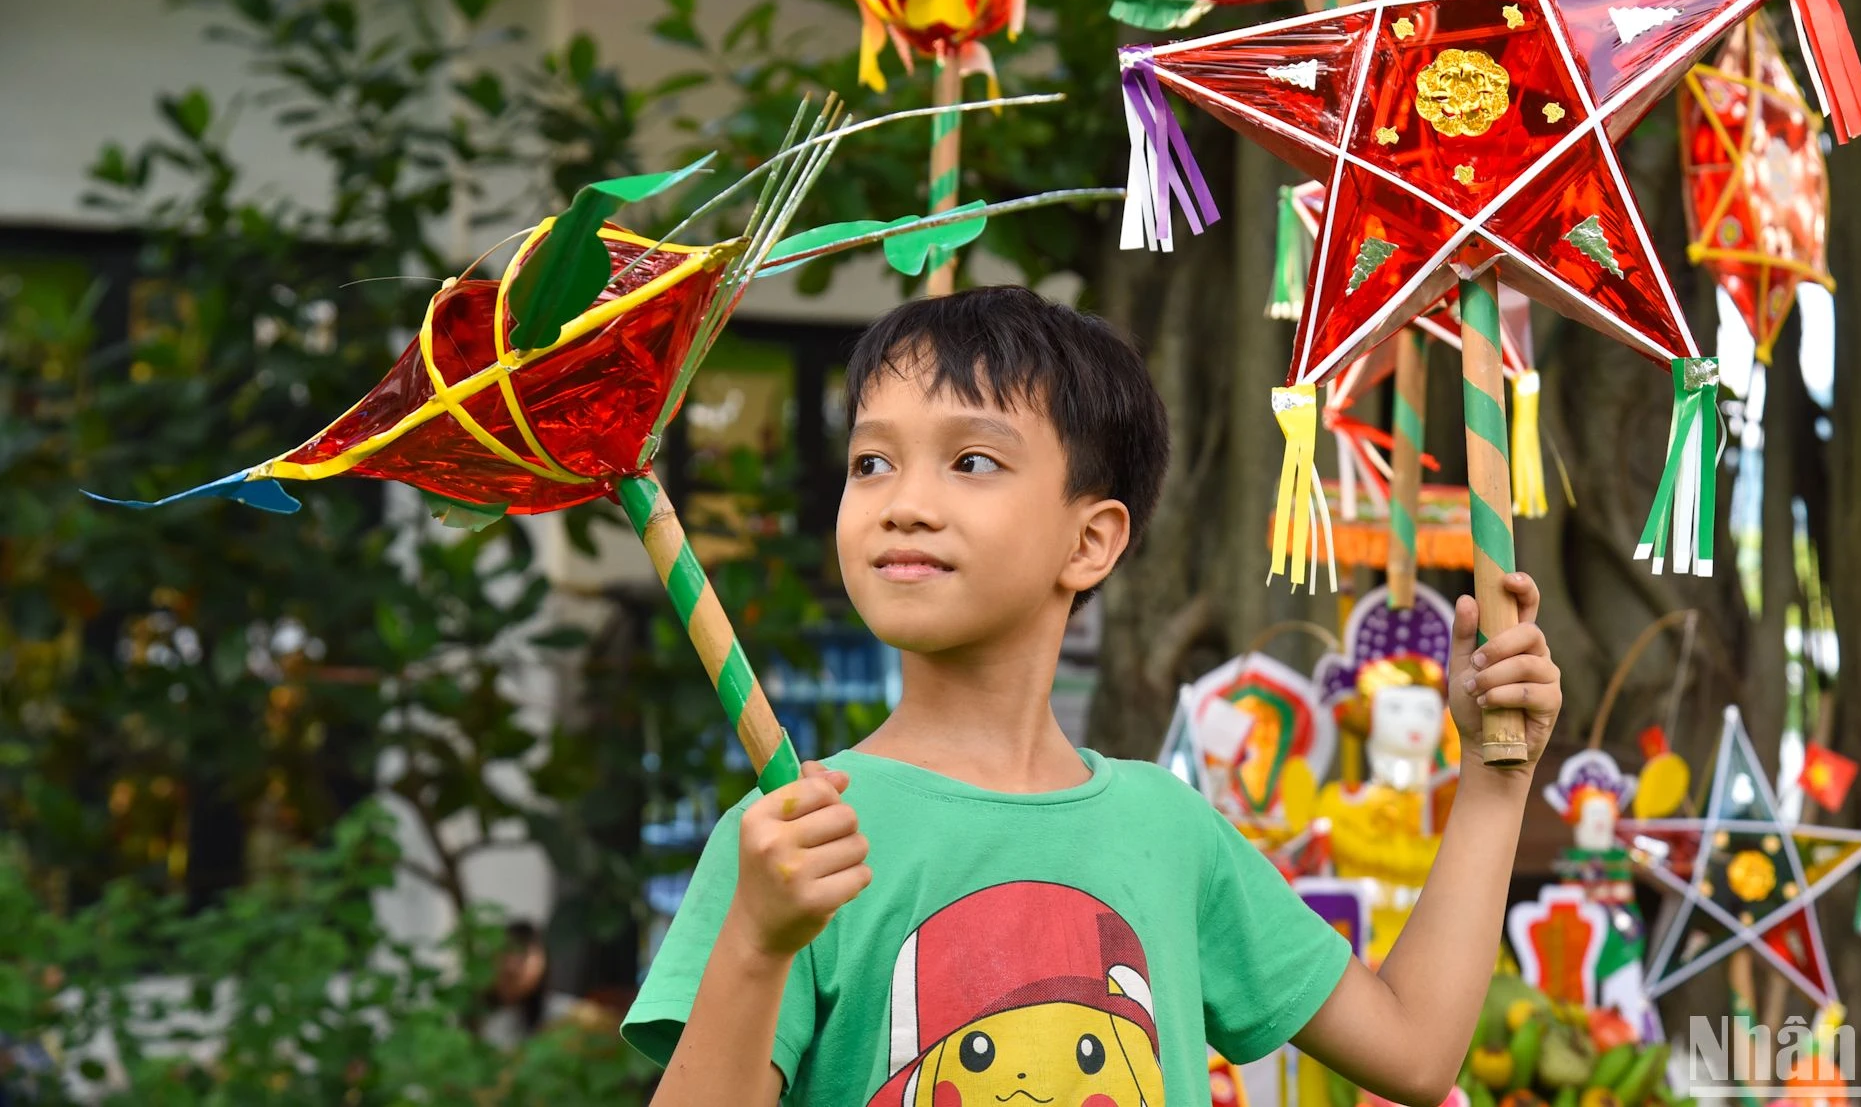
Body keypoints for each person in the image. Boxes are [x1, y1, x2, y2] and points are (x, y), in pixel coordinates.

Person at [623, 286, 1563, 1106]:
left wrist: (1492, 774)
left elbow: (1412, 1046)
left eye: (972, 461)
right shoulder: (790, 839)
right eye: (872, 462)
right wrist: (756, 940)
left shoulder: (1169, 827)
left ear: (1092, 541)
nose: (901, 501)